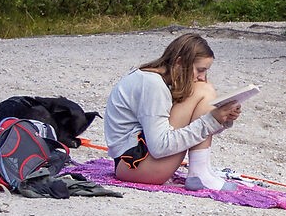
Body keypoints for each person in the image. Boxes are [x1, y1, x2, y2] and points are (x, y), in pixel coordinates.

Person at [102, 32, 244, 190]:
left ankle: (201, 171)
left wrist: (222, 118)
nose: (202, 77)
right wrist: (211, 120)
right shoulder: (153, 85)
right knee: (203, 90)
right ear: (179, 62)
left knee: (204, 89)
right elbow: (159, 147)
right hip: (134, 166)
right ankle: (199, 173)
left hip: (134, 162)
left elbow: (195, 122)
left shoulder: (153, 77)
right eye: (200, 70)